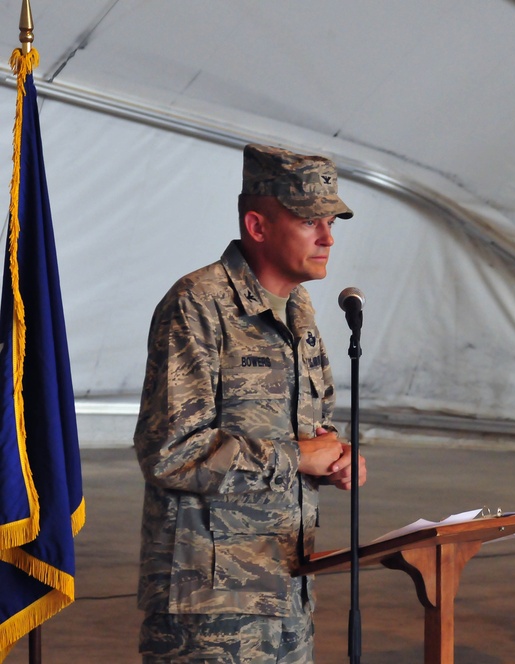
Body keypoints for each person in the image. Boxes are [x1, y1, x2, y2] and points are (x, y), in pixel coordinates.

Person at [134, 143, 366, 663]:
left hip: (288, 589)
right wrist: (296, 457)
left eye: (332, 223)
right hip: (211, 610)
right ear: (258, 227)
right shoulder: (197, 305)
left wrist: (335, 459)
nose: (328, 238)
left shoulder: (301, 311)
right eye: (311, 222)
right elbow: (169, 452)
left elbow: (310, 435)